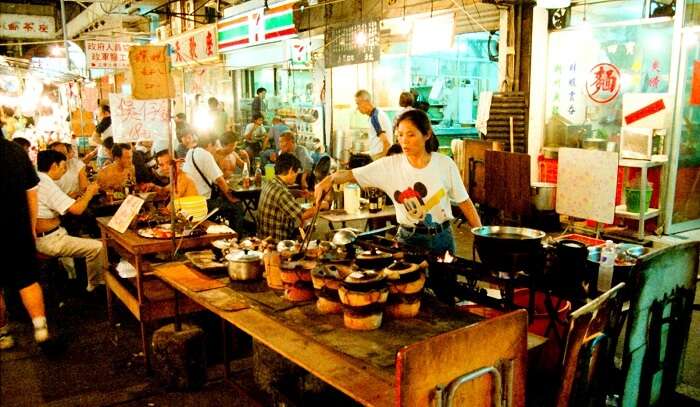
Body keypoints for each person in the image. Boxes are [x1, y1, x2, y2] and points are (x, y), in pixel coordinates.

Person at [315, 109, 481, 255]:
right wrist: (328, 179)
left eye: (411, 134)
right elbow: (350, 174)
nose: (404, 141)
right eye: (400, 135)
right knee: (407, 287)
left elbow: (464, 202)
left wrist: (480, 237)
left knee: (444, 289)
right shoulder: (390, 165)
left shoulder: (445, 164)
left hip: (441, 238)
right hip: (408, 239)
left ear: (427, 135)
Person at [0, 136, 50, 347]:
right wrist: (30, 226)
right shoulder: (15, 152)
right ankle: (41, 330)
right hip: (16, 228)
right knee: (27, 280)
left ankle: (2, 334)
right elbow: (31, 193)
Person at [35, 150, 104, 292]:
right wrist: (90, 192)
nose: (64, 171)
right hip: (50, 240)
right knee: (98, 247)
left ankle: (75, 280)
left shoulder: (38, 179)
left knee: (81, 236)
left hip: (54, 234)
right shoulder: (45, 183)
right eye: (63, 167)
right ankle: (95, 286)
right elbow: (77, 210)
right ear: (54, 165)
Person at [180, 130, 250, 234]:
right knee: (237, 206)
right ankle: (235, 239)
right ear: (209, 144)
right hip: (203, 202)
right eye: (216, 145)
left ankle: (226, 233)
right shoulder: (206, 155)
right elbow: (219, 180)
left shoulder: (191, 152)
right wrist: (231, 198)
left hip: (191, 200)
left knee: (226, 204)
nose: (217, 148)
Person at [257, 153, 326, 242]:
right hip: (276, 240)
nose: (296, 177)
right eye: (296, 174)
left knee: (304, 225)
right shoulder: (282, 193)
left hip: (264, 234)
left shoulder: (270, 181)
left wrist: (298, 193)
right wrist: (322, 205)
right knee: (309, 225)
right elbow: (303, 215)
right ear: (290, 170)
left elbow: (280, 197)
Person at [355, 90, 392, 160]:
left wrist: (374, 160)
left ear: (366, 102)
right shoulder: (375, 115)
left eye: (358, 104)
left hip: (380, 160)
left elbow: (387, 145)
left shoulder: (375, 117)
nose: (357, 107)